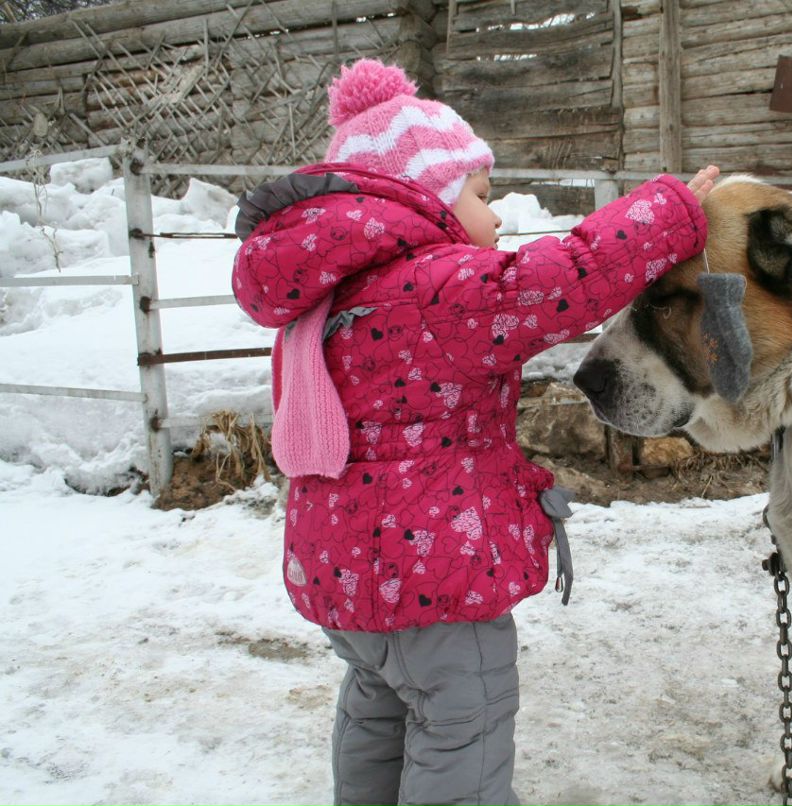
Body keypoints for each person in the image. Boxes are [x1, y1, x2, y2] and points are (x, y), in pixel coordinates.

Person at [230, 58, 717, 806]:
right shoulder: (436, 288)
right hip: (433, 585)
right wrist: (670, 211)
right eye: (482, 197)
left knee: (377, 708)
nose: (496, 220)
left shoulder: (332, 293)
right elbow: (562, 280)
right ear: (425, 197)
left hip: (343, 578)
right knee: (463, 723)